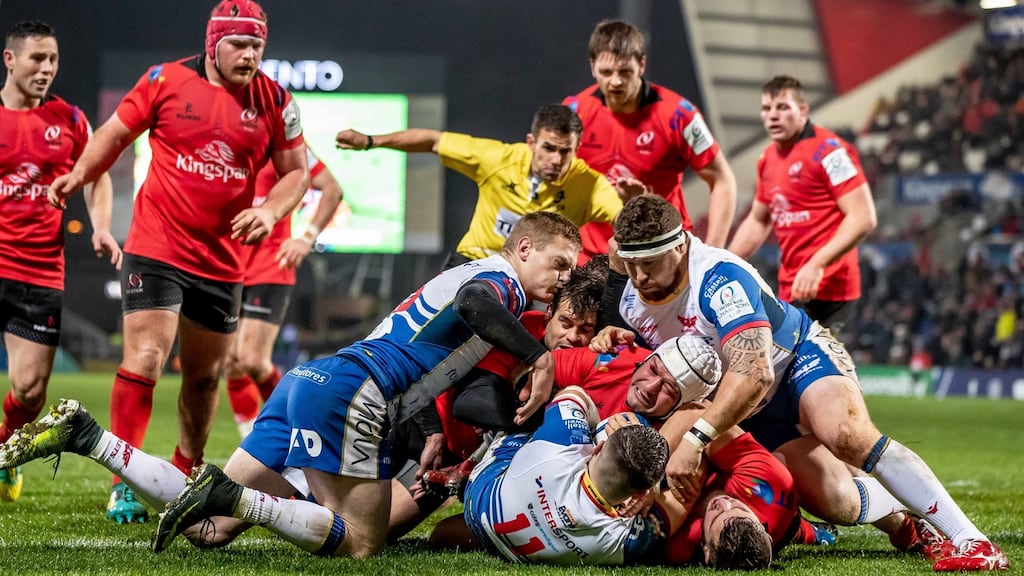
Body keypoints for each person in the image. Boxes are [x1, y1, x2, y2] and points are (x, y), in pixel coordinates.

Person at [592, 194, 1010, 571]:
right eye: (630, 264)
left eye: (649, 263)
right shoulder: (631, 298)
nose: (639, 276)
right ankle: (906, 520)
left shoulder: (718, 279)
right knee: (838, 502)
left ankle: (972, 541)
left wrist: (696, 439)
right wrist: (613, 334)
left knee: (846, 434)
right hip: (742, 405)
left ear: (681, 245)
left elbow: (755, 372)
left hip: (794, 360)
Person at [47, 0, 309, 523]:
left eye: (258, 45)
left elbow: (296, 172)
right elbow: (115, 134)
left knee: (205, 378)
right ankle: (124, 479)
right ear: (214, 43)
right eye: (240, 44)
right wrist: (78, 175)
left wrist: (271, 209)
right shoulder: (164, 79)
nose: (250, 55)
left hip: (223, 259)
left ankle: (184, 469)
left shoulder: (276, 100)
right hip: (157, 244)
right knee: (146, 355)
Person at [387, 263, 607, 541]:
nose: (573, 337)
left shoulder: (592, 358)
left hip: (460, 460)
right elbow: (471, 403)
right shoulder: (520, 329)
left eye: (586, 328)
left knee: (380, 531)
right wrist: (542, 411)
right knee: (347, 512)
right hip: (427, 425)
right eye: (565, 322)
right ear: (549, 313)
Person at [0, 20, 122, 502]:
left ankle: (6, 450)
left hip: (38, 271)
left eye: (53, 59)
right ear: (10, 60)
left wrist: (101, 226)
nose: (47, 68)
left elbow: (97, 175)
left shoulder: (69, 120)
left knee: (30, 391)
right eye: (37, 58)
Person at [336, 103, 624, 269]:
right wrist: (371, 141)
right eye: (549, 148)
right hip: (474, 264)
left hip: (537, 285)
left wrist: (635, 203)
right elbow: (434, 141)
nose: (557, 160)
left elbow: (623, 218)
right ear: (532, 142)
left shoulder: (589, 185)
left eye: (566, 151)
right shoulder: (498, 159)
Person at [564, 20, 737, 263]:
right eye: (606, 72)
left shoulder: (680, 115)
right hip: (592, 260)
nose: (615, 81)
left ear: (641, 64)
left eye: (625, 72)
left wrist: (714, 253)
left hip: (663, 256)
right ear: (592, 67)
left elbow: (722, 179)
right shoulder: (574, 112)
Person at [728, 75, 877, 332]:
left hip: (829, 291)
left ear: (803, 111)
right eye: (767, 109)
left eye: (783, 107)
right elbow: (757, 219)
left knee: (822, 368)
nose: (773, 116)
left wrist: (816, 264)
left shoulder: (829, 151)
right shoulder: (767, 159)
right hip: (792, 288)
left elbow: (863, 217)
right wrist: (724, 262)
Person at [461, 386, 671, 565]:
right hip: (505, 543)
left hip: (481, 496)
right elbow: (682, 496)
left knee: (613, 423)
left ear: (598, 449)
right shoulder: (624, 540)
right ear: (639, 493)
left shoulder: (561, 443)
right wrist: (654, 485)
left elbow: (573, 392)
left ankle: (473, 457)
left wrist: (593, 431)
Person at [225, 145, 345, 438]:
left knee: (252, 360)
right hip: (226, 264)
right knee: (230, 363)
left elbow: (332, 188)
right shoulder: (228, 135)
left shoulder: (288, 145)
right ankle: (251, 442)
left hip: (270, 265)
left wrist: (306, 238)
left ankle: (301, 425)